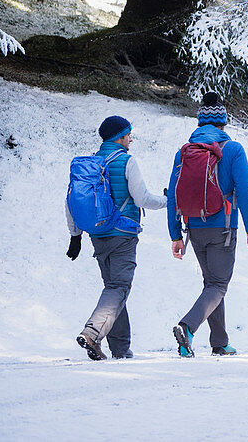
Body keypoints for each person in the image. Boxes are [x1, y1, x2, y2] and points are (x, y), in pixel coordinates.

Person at [67, 116, 167, 361]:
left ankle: (121, 349)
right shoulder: (126, 161)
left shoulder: (91, 163)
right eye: (128, 134)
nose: (131, 138)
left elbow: (71, 200)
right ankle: (92, 332)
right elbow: (142, 199)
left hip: (98, 234)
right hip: (122, 234)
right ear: (119, 137)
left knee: (114, 288)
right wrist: (167, 201)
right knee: (119, 287)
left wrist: (75, 236)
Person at [166, 93, 248, 357]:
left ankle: (220, 342)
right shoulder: (233, 149)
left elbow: (173, 194)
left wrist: (176, 235)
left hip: (194, 228)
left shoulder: (184, 152)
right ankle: (188, 327)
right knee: (218, 284)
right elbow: (245, 190)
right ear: (223, 123)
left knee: (212, 283)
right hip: (224, 227)